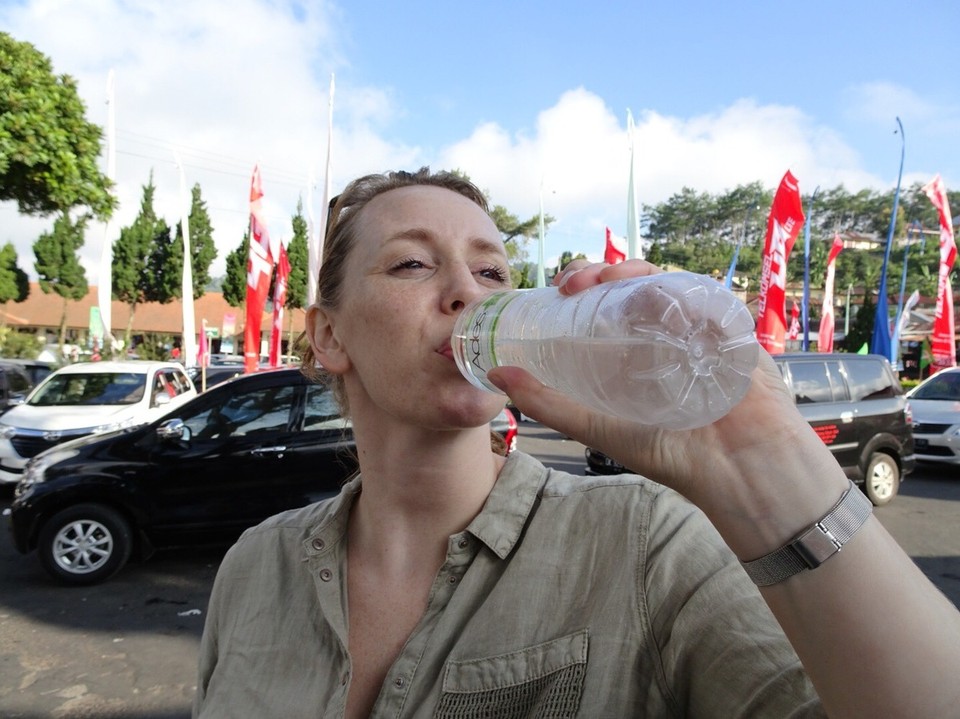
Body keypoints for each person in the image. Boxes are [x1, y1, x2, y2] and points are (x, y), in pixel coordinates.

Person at [193, 168, 960, 718]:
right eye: (414, 263)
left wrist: (763, 456)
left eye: (492, 268)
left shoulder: (643, 540)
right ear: (329, 334)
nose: (468, 290)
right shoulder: (257, 566)